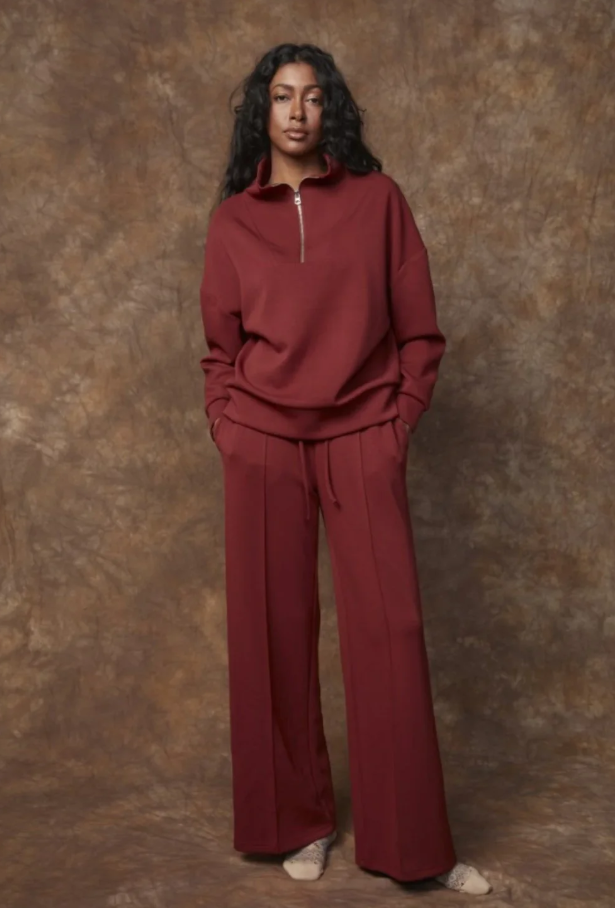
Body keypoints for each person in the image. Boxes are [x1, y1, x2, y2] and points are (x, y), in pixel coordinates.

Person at [198, 42, 492, 897]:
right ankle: (296, 822)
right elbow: (219, 348)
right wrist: (228, 426)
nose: (297, 111)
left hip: (363, 430)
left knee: (388, 632)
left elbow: (419, 332)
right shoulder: (232, 222)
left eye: (313, 96)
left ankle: (414, 846)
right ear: (262, 113)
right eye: (281, 97)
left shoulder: (377, 201)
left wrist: (397, 423)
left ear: (332, 110)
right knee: (271, 630)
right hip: (261, 439)